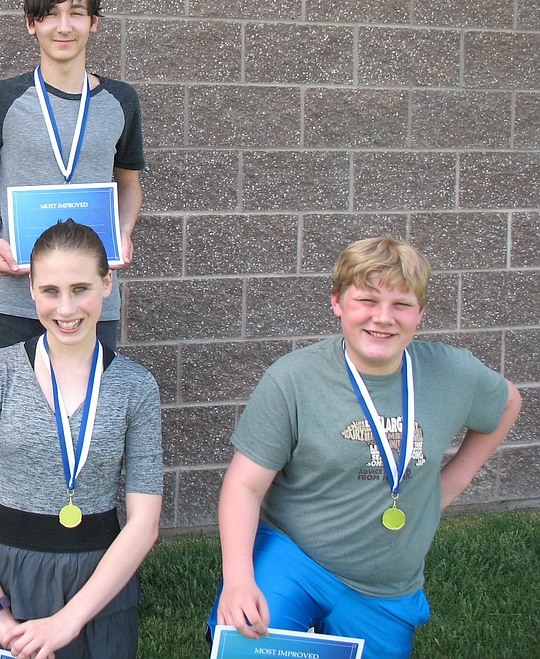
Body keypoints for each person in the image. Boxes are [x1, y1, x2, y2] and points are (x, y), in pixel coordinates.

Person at [212, 236, 523, 659]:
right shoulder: (293, 379)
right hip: (296, 555)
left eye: (401, 305)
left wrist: (447, 486)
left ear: (421, 314)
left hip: (386, 580)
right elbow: (244, 486)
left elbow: (508, 402)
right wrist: (239, 580)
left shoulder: (453, 373)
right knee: (245, 638)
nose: (383, 318)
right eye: (366, 300)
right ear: (337, 302)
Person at [0, 219, 163, 659]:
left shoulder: (136, 387)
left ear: (108, 283)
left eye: (81, 288)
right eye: (51, 291)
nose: (66, 308)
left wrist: (70, 620)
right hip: (5, 577)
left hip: (96, 584)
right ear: (32, 291)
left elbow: (144, 522)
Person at [0, 0, 144, 356]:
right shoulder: (0, 98)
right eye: (50, 14)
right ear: (32, 24)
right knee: (11, 410)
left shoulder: (121, 100)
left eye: (76, 13)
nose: (64, 26)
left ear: (94, 23)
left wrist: (124, 231)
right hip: (14, 296)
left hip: (91, 297)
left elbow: (129, 183)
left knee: (90, 412)